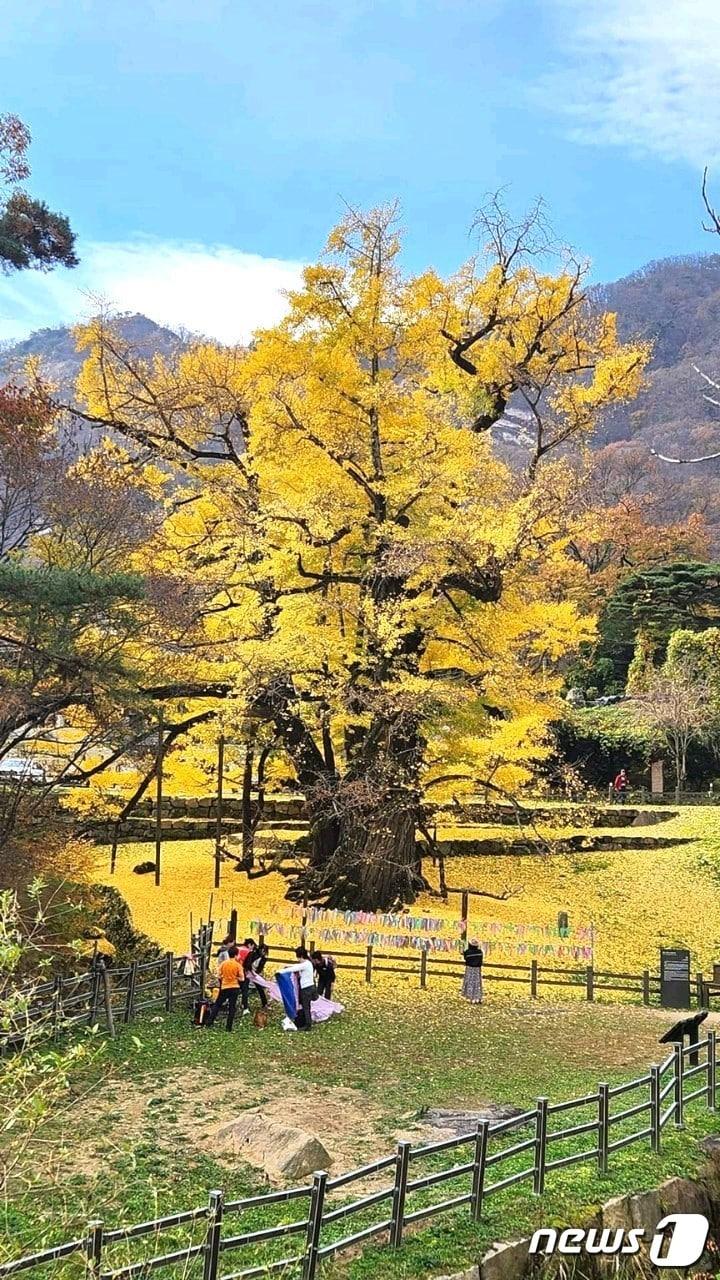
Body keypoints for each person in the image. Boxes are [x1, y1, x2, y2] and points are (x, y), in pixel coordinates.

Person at [207, 944, 243, 1031]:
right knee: (232, 1007)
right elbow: (242, 978)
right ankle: (228, 1027)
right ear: (236, 955)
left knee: (217, 1004)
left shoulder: (223, 964)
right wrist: (235, 978)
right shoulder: (238, 965)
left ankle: (209, 1021)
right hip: (235, 987)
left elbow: (219, 976)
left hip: (225, 987)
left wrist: (224, 979)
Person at [280, 946, 317, 1030]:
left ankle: (307, 1025)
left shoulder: (306, 964)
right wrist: (288, 966)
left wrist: (282, 971)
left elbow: (296, 968)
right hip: (309, 987)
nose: (297, 959)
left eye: (298, 957)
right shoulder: (307, 963)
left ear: (300, 956)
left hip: (306, 989)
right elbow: (297, 966)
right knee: (306, 1006)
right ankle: (306, 1023)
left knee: (306, 1007)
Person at [244, 941, 269, 1010]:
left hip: (255, 974)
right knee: (244, 989)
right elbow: (247, 963)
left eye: (265, 951)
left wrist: (255, 974)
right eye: (262, 950)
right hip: (248, 972)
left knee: (260, 988)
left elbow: (260, 968)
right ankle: (245, 1006)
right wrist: (250, 971)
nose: (263, 952)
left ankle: (265, 1004)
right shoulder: (253, 954)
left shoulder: (264, 959)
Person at [461, 940, 484, 1005]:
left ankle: (471, 997)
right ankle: (478, 997)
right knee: (477, 983)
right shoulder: (480, 952)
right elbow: (481, 960)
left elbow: (466, 958)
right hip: (477, 969)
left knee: (470, 982)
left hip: (470, 969)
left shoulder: (468, 952)